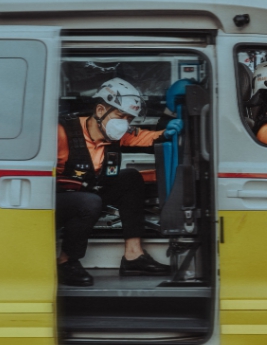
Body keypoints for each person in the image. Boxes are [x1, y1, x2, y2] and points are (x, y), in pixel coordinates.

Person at [56, 78, 183, 287]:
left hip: (89, 193)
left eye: (128, 118)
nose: (124, 123)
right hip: (56, 201)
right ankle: (66, 261)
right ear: (100, 110)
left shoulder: (116, 135)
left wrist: (168, 130)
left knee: (130, 178)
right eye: (120, 116)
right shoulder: (62, 133)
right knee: (89, 202)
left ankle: (133, 256)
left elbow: (147, 138)